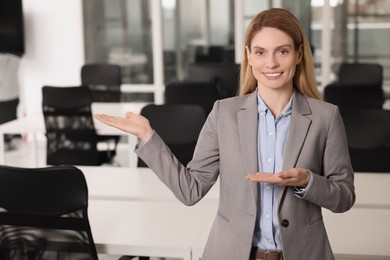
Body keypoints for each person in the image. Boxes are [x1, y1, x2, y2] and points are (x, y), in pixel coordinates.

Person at [95, 8, 355, 260]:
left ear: (298, 55)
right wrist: (147, 136)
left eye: (282, 51)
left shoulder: (326, 117)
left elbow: (344, 197)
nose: (271, 63)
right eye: (260, 52)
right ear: (249, 56)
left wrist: (306, 181)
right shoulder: (224, 114)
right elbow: (190, 190)